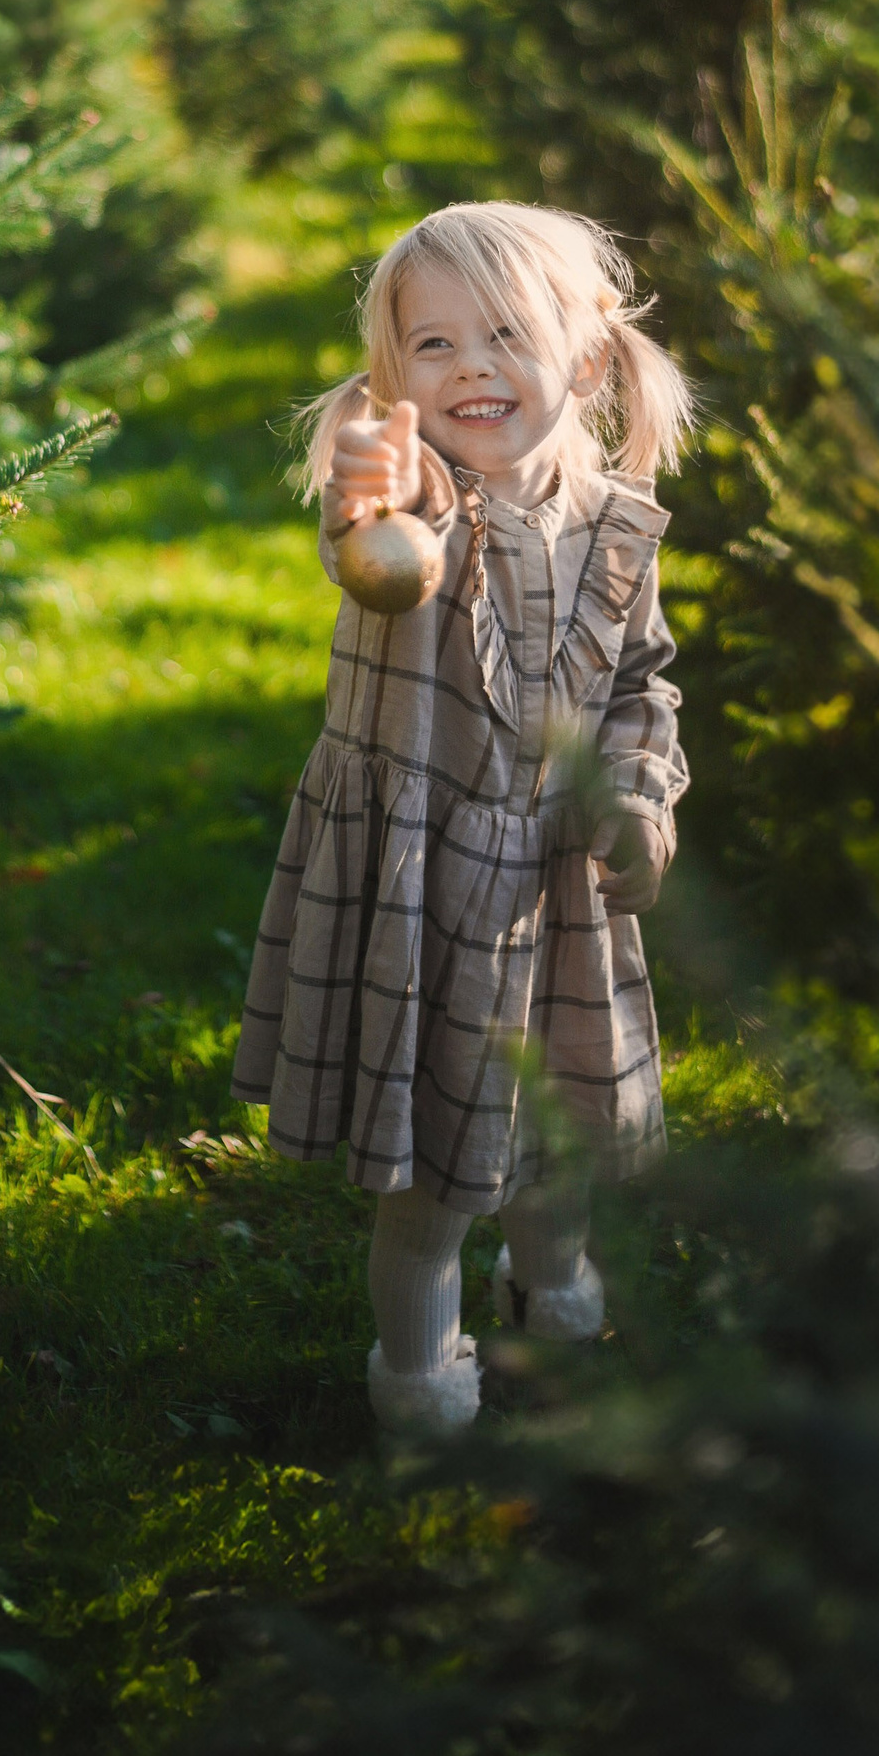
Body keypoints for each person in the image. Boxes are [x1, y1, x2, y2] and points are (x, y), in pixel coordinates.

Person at [232, 202, 696, 1434]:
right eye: (430, 346)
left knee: (556, 1143)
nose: (470, 367)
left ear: (588, 358)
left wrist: (640, 797)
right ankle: (421, 1376)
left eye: (503, 333)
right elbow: (376, 550)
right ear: (393, 379)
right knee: (433, 1174)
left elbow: (644, 681)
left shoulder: (616, 523)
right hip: (423, 890)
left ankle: (552, 1290)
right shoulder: (408, 499)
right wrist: (368, 500)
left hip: (555, 884)